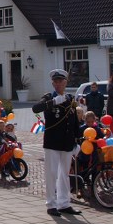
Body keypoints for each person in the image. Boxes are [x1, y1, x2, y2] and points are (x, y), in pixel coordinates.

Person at [32, 69, 81, 216]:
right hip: (53, 141)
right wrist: (53, 102)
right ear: (53, 83)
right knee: (51, 173)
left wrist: (77, 139)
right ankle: (51, 204)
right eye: (56, 81)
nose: (58, 84)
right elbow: (36, 108)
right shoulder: (48, 97)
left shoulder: (70, 99)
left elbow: (74, 120)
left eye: (61, 81)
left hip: (67, 142)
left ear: (66, 82)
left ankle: (64, 203)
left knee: (65, 174)